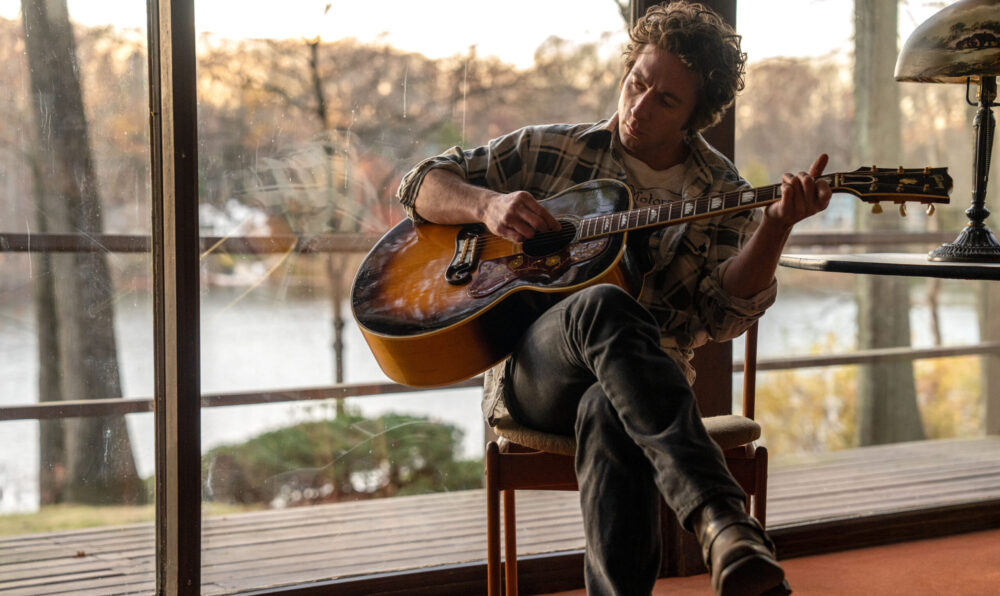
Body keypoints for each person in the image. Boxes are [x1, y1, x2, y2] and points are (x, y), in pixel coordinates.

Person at [396, 2, 831, 594]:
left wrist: (775, 226)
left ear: (695, 118)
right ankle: (724, 521)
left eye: (666, 101)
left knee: (609, 409)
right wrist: (487, 206)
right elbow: (419, 181)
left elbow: (719, 317)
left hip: (647, 385)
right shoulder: (553, 149)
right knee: (603, 304)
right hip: (537, 374)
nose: (639, 107)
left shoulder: (722, 190)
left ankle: (704, 546)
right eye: (637, 83)